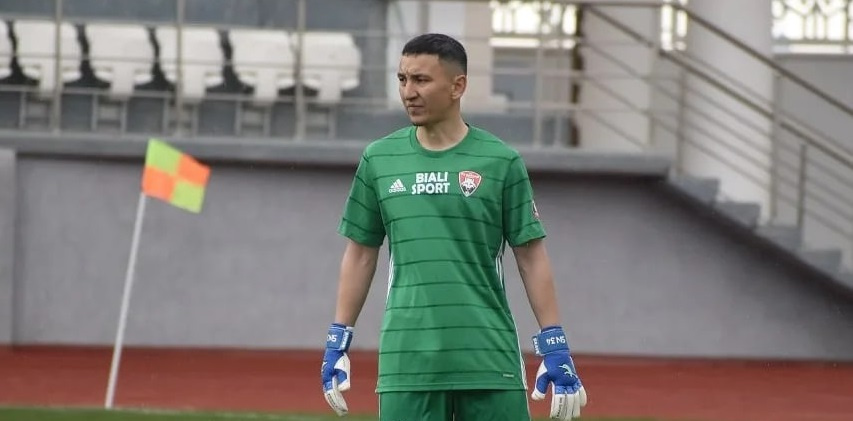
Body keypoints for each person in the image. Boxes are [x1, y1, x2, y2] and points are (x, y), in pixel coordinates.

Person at [321, 33, 588, 421]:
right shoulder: (379, 160)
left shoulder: (501, 161)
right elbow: (361, 254)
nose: (408, 92)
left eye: (421, 80)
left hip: (489, 361)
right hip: (406, 364)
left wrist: (554, 342)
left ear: (457, 86)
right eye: (402, 79)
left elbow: (531, 256)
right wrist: (338, 338)